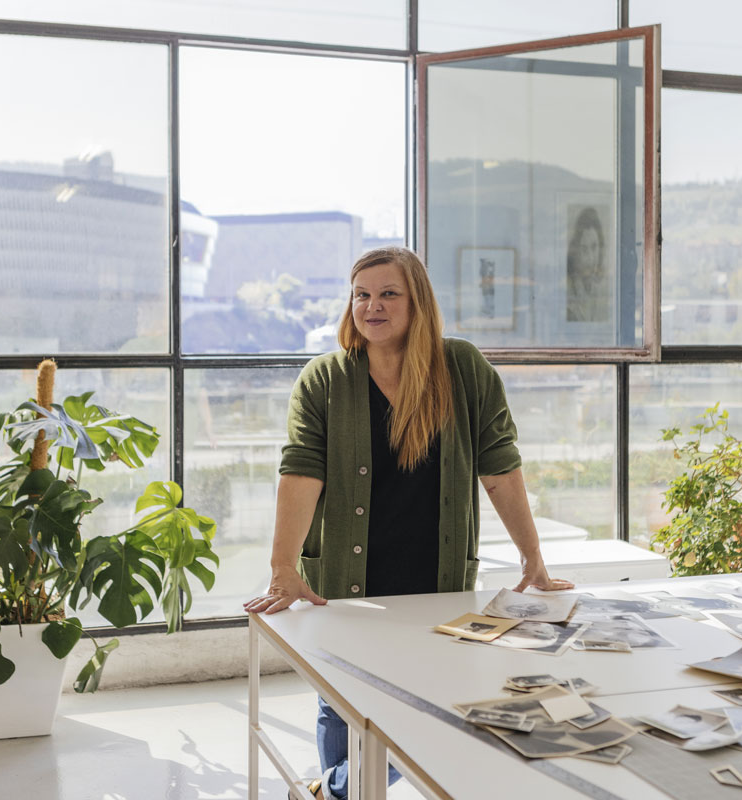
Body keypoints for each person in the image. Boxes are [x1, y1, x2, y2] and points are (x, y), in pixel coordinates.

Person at [243, 246, 572, 800]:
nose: (373, 306)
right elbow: (301, 472)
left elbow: (500, 467)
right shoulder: (324, 379)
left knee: (427, 712)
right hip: (347, 583)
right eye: (362, 295)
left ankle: (335, 790)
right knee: (339, 701)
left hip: (434, 581)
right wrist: (282, 566)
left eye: (388, 293)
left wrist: (531, 556)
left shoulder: (462, 368)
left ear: (417, 301)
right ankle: (343, 789)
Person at [565, 206, 610, 323]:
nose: (590, 258)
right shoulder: (568, 292)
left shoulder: (602, 292)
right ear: (576, 253)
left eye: (594, 247)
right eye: (584, 249)